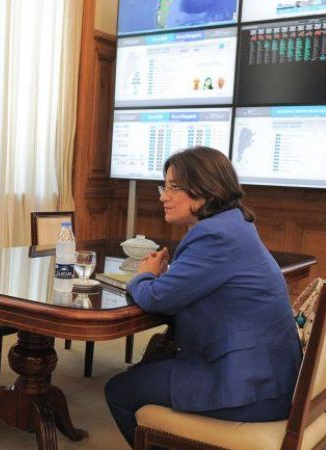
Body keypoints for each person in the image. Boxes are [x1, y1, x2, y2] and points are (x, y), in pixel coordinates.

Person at [104, 146, 302, 447]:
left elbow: (157, 298)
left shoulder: (214, 236)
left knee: (119, 391)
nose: (162, 196)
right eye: (164, 186)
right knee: (151, 364)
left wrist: (143, 274)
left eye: (173, 187)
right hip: (270, 374)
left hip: (250, 387)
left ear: (204, 191)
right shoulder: (234, 224)